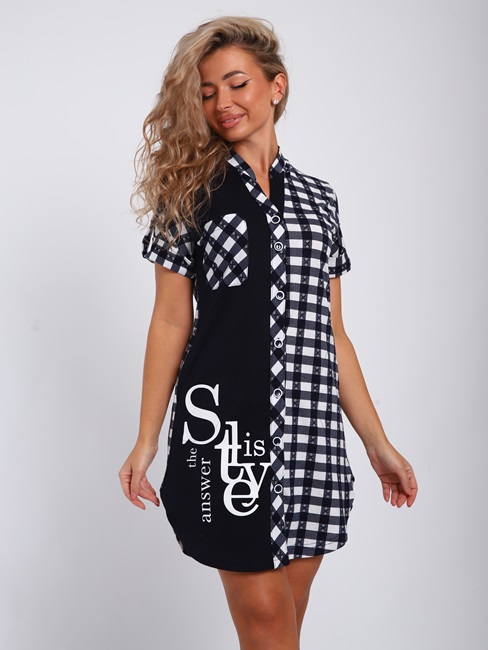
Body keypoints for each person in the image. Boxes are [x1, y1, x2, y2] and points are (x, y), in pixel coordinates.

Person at [118, 15, 418, 650]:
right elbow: (170, 318)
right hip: (228, 433)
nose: (222, 103)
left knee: (284, 628)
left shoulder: (319, 200)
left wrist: (378, 444)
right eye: (206, 92)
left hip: (312, 435)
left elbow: (333, 334)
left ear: (276, 86)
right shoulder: (188, 194)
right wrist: (147, 438)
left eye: (237, 84)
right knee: (266, 624)